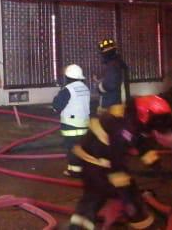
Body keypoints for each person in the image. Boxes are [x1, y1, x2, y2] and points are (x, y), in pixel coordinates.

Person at [67, 96, 164, 230]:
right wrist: (121, 181)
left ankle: (77, 226)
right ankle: (141, 223)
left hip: (93, 162)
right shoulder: (121, 127)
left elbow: (140, 143)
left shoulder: (127, 118)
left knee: (92, 199)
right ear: (144, 114)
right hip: (99, 164)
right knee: (128, 192)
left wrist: (155, 164)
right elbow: (116, 157)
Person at [52, 64, 90, 178]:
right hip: (84, 124)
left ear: (67, 77)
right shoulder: (85, 88)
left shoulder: (67, 90)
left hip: (71, 125)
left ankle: (74, 171)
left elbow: (57, 106)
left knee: (72, 147)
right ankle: (84, 169)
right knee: (82, 147)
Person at [95, 38, 130, 115]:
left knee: (109, 126)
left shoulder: (112, 65)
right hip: (117, 103)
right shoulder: (118, 63)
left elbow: (109, 85)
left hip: (111, 105)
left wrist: (99, 85)